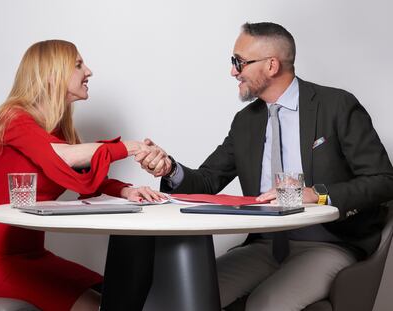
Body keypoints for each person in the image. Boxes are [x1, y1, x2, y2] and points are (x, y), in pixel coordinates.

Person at [137, 22, 393, 310]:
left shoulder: (337, 105)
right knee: (180, 297)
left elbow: (383, 180)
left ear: (272, 65)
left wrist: (317, 193)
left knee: (265, 305)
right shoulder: (246, 122)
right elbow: (208, 181)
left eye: (239, 62)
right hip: (266, 246)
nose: (233, 71)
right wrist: (170, 168)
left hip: (329, 244)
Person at [0, 40, 166, 311]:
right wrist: (128, 147)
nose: (88, 71)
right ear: (53, 74)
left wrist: (126, 190)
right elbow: (62, 158)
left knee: (118, 296)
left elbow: (82, 176)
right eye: (78, 65)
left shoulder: (58, 132)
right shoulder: (14, 118)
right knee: (98, 306)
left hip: (33, 255)